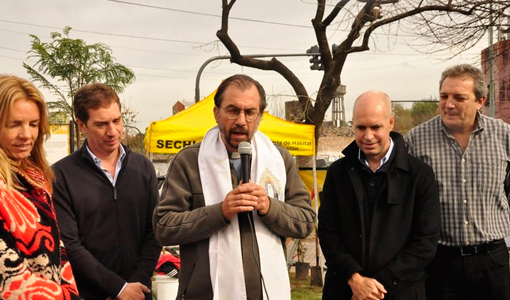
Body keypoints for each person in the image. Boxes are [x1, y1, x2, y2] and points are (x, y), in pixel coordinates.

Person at [153, 74, 315, 300]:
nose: (241, 120)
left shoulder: (280, 159)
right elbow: (163, 227)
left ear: (260, 116)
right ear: (216, 113)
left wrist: (270, 206)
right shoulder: (189, 161)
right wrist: (219, 212)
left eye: (250, 112)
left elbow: (305, 222)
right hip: (205, 294)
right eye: (232, 110)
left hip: (266, 293)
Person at [318, 90, 441, 300]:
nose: (368, 136)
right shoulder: (338, 172)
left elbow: (425, 242)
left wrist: (377, 286)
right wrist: (354, 278)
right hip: (345, 290)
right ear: (352, 125)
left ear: (390, 123)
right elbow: (328, 232)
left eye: (375, 127)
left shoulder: (419, 174)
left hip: (401, 291)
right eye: (360, 127)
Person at [405, 64, 510, 300]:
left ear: (480, 101)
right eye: (444, 96)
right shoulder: (416, 140)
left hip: (492, 261)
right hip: (439, 263)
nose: (448, 104)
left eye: (459, 97)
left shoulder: (504, 136)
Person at [52, 83, 161, 300]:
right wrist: (118, 288)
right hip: (89, 294)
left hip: (139, 293)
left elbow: (155, 230)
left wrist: (135, 285)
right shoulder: (60, 175)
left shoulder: (143, 167)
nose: (113, 131)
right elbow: (70, 244)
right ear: (82, 125)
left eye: (117, 121)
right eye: (101, 124)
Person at [0, 75, 81, 299]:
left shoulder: (36, 176)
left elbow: (57, 248)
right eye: (14, 124)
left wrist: (70, 291)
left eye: (33, 124)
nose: (27, 135)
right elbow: (9, 277)